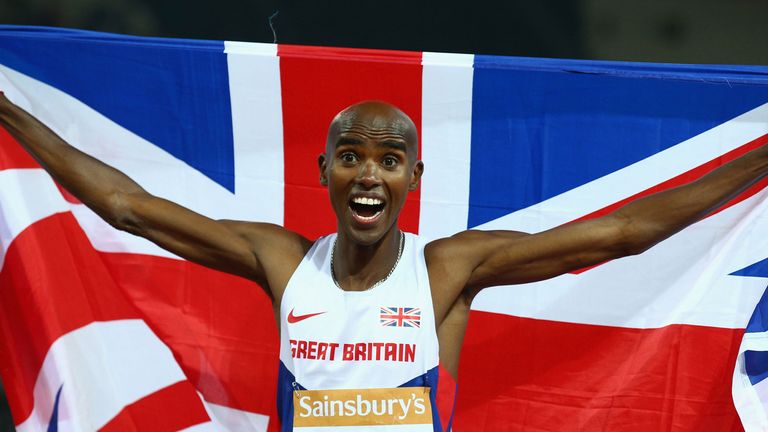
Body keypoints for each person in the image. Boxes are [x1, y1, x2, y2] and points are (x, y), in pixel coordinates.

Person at [1, 94, 767, 431]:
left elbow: (622, 232)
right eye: (352, 158)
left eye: (390, 159)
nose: (369, 174)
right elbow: (128, 207)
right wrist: (6, 113)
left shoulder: (447, 270)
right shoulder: (281, 259)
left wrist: (760, 158)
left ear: (413, 178)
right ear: (325, 170)